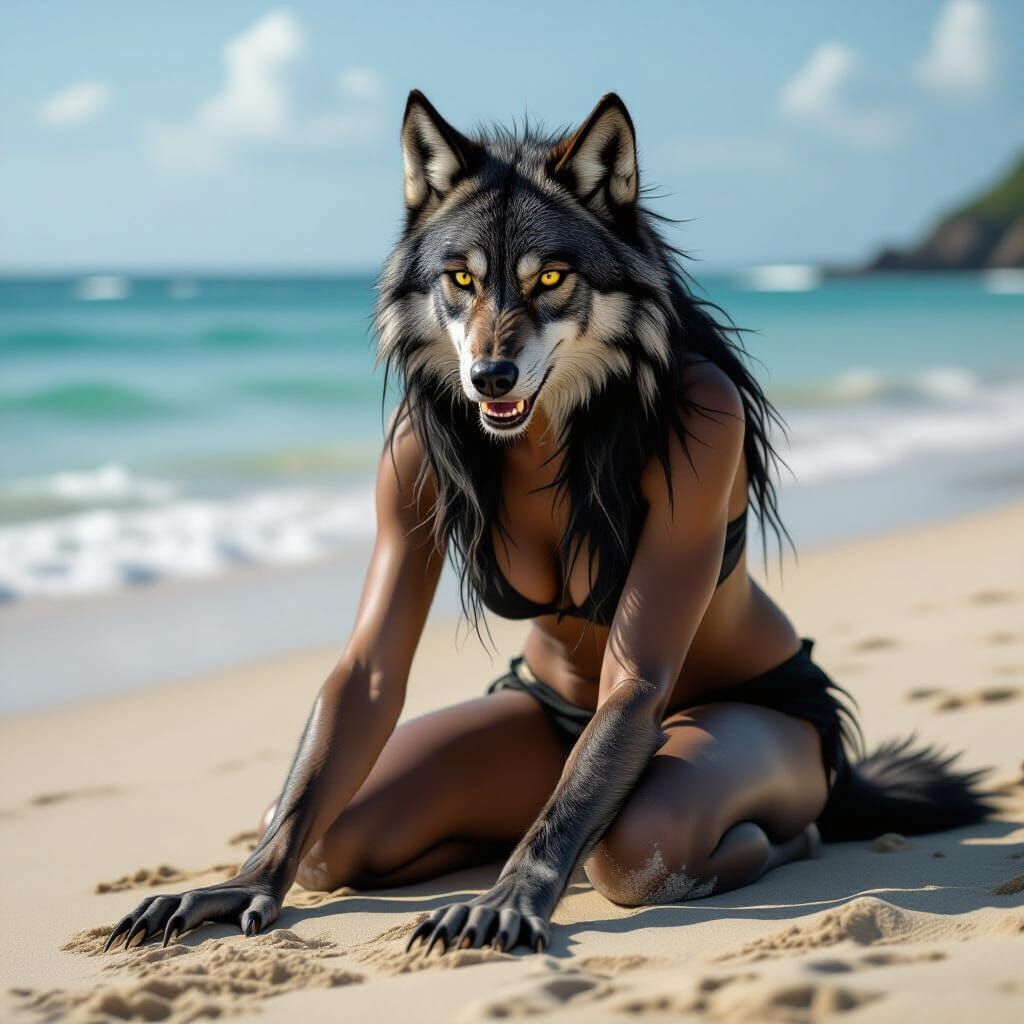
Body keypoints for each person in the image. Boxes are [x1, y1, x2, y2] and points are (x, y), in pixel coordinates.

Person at [105, 92, 989, 957]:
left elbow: (639, 682)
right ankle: (550, 826)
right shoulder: (423, 439)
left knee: (635, 863)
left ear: (613, 278)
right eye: (462, 285)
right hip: (554, 718)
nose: (494, 346)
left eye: (549, 286)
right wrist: (263, 870)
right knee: (330, 846)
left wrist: (531, 877)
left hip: (736, 716)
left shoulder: (696, 413)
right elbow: (371, 670)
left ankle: (784, 834)